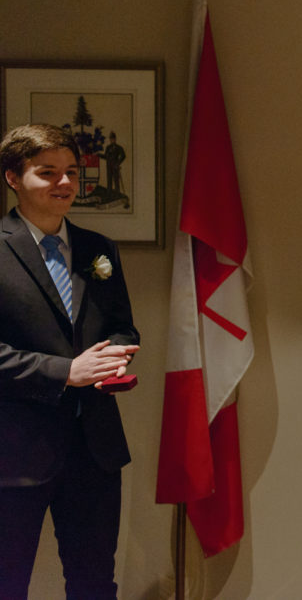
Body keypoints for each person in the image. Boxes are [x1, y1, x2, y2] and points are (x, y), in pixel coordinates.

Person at [0, 124, 140, 599]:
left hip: (93, 449)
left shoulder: (99, 249)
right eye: (47, 173)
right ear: (13, 179)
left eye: (71, 173)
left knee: (95, 582)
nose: (64, 184)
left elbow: (123, 325)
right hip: (13, 451)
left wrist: (115, 355)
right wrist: (67, 372)